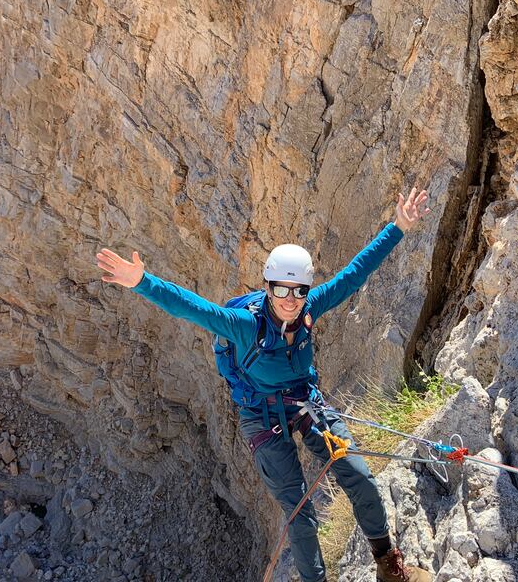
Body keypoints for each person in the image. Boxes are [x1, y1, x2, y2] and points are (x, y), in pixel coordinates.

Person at [96, 187, 432, 582]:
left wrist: (399, 227)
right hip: (260, 416)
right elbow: (192, 307)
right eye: (280, 289)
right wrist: (142, 281)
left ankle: (387, 562)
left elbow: (354, 275)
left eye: (299, 291)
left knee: (357, 475)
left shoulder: (310, 308)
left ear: (307, 290)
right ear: (267, 286)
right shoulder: (244, 326)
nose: (290, 299)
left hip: (305, 402)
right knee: (299, 517)